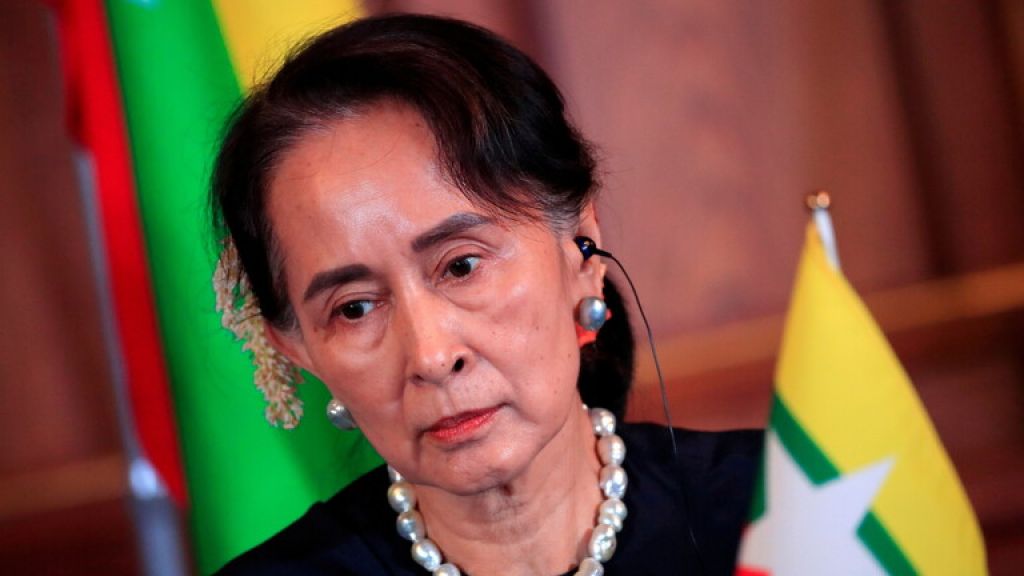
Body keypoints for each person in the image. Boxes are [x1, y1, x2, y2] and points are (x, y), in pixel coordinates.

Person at [211, 14, 760, 576]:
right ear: (297, 348)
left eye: (462, 266)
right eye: (354, 308)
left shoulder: (782, 511)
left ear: (580, 247)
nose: (431, 356)